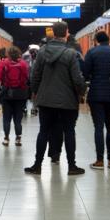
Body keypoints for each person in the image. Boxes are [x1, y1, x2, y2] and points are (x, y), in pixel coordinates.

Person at [25, 21, 86, 176]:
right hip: (68, 101)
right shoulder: (71, 53)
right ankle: (72, 166)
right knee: (69, 132)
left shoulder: (42, 52)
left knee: (43, 131)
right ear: (66, 33)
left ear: (53, 32)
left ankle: (37, 165)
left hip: (45, 100)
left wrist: (35, 92)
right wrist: (82, 92)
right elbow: (77, 79)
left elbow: (35, 75)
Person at [83, 30, 110, 169]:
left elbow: (85, 73)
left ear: (96, 40)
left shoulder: (92, 53)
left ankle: (99, 160)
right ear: (108, 40)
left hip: (96, 95)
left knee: (98, 127)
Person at [0, 45, 29, 145]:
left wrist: (3, 85)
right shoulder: (23, 64)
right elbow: (26, 77)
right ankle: (18, 138)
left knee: (6, 117)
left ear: (8, 54)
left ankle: (6, 138)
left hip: (7, 94)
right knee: (18, 118)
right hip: (20, 94)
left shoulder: (3, 63)